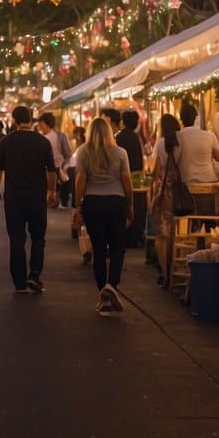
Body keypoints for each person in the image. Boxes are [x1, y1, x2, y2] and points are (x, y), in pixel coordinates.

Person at [0, 106, 58, 294]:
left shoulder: (6, 142)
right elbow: (51, 171)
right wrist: (52, 191)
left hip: (14, 197)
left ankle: (19, 281)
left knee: (16, 238)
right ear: (31, 120)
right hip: (37, 196)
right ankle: (35, 275)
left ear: (14, 120)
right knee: (38, 238)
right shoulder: (43, 142)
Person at [74, 118, 134, 315]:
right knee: (117, 247)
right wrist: (130, 204)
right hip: (116, 202)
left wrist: (78, 206)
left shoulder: (83, 151)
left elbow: (80, 180)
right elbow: (126, 181)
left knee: (99, 250)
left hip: (93, 203)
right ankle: (112, 286)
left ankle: (103, 296)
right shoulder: (120, 152)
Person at [149, 114, 184, 285]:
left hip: (164, 192)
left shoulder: (160, 143)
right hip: (180, 191)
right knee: (177, 233)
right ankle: (175, 270)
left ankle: (165, 273)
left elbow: (155, 170)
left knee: (162, 234)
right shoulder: (181, 142)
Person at [176, 103, 219, 183]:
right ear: (195, 118)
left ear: (181, 119)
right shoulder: (210, 136)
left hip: (187, 184)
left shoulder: (178, 137)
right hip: (209, 181)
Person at [38, 113, 73, 210]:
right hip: (44, 168)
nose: (40, 126)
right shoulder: (39, 137)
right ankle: (51, 201)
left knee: (60, 188)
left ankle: (61, 202)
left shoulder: (60, 136)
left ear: (48, 123)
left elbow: (68, 153)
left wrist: (65, 166)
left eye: (42, 123)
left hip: (59, 167)